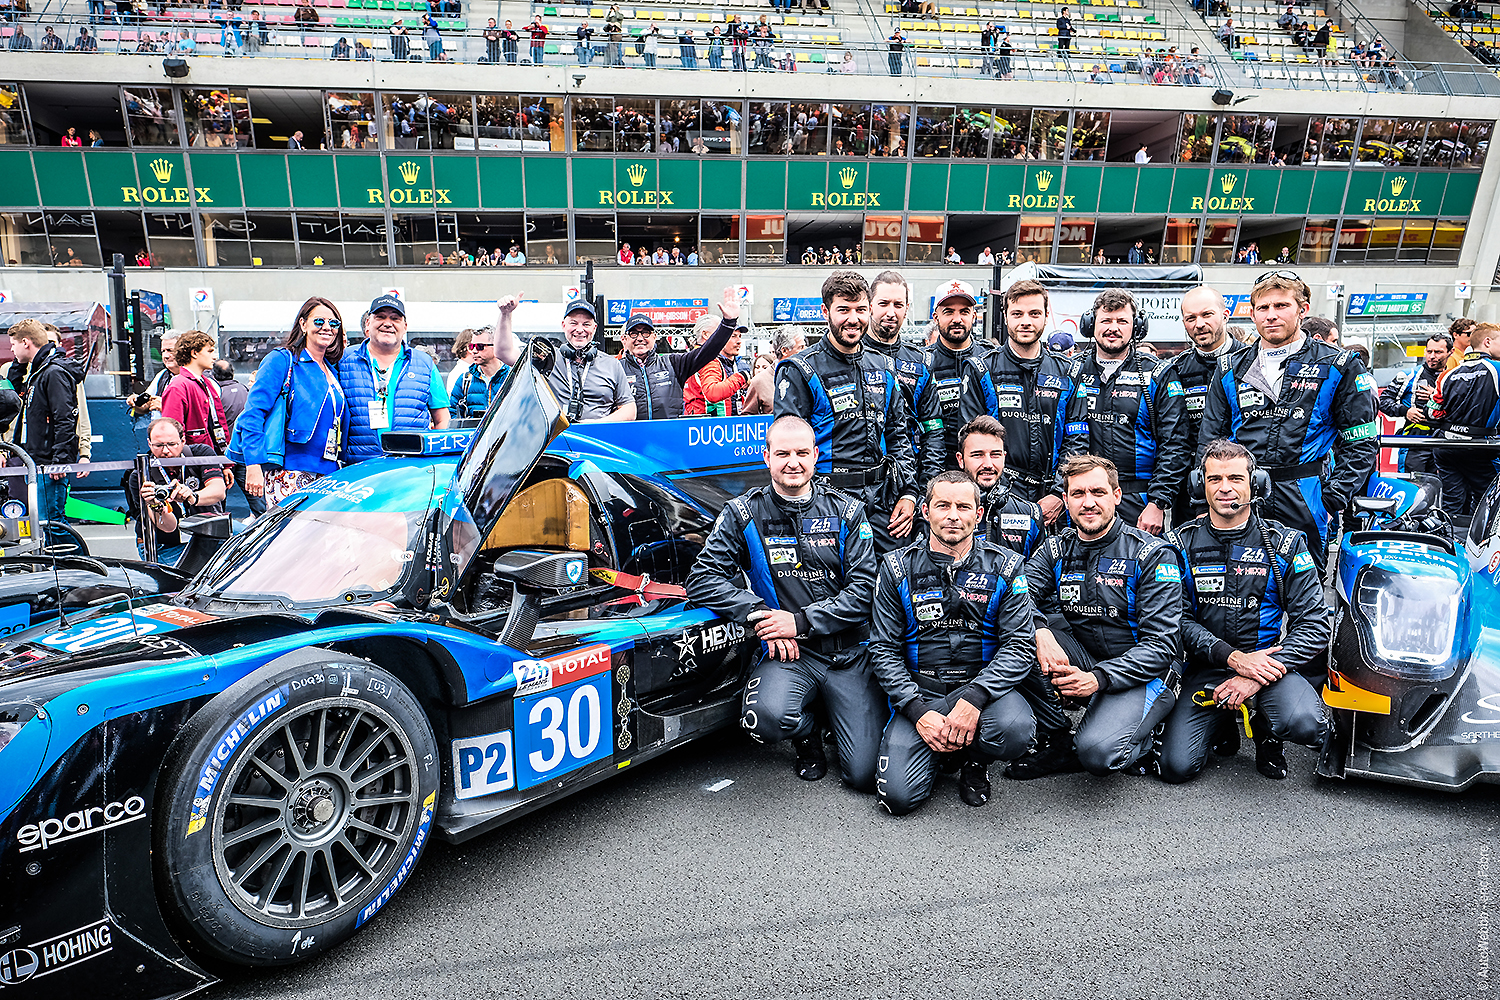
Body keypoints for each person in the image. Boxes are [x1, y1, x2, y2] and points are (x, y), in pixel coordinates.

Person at [686, 415, 885, 789]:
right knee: (764, 718)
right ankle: (807, 736)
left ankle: (832, 712)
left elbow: (864, 591)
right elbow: (702, 579)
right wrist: (759, 614)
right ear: (766, 457)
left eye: (801, 453)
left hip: (848, 654)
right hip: (791, 654)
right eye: (782, 454)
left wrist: (800, 621)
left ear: (815, 455)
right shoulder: (743, 513)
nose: (793, 462)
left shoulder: (848, 511)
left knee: (862, 775)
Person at [1160, 440, 1331, 783]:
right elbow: (1176, 619)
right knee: (1176, 768)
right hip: (1207, 667)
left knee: (1305, 722)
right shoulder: (1178, 544)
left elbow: (1315, 624)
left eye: (1236, 478)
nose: (1225, 488)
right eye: (1215, 479)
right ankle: (1222, 723)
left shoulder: (1286, 543)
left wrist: (1254, 674)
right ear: (1200, 485)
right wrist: (1234, 659)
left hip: (1269, 666)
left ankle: (1268, 733)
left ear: (1256, 484)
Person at [870, 471, 1039, 814]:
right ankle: (943, 750)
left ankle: (975, 760)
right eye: (943, 505)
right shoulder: (895, 567)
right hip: (922, 692)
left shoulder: (1007, 566)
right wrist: (916, 711)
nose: (953, 515)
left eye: (963, 507)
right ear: (925, 511)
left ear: (978, 514)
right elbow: (883, 649)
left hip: (981, 692)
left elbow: (1020, 645)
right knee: (897, 799)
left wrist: (975, 698)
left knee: (1015, 728)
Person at [1199, 270, 1378, 575]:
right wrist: (1208, 497)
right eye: (1263, 307)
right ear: (1252, 314)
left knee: (1306, 589)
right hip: (1243, 492)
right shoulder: (1229, 367)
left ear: (1302, 310)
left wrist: (1331, 498)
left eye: (1281, 305)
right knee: (1241, 587)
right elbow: (1211, 440)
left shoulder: (1339, 364)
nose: (1271, 315)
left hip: (1306, 495)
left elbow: (1361, 441)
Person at [1016, 455, 1183, 777]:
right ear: (1065, 500)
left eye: (1098, 492)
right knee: (1017, 638)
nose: (1088, 502)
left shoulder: (1151, 553)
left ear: (1116, 496)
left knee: (1097, 754)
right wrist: (1039, 630)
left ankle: (1143, 735)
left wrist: (1097, 679)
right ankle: (1059, 739)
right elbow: (1016, 596)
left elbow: (1161, 647)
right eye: (1078, 493)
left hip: (1146, 672)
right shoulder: (1056, 549)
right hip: (1088, 657)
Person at [773, 271, 917, 555]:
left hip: (883, 504)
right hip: (826, 502)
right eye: (844, 310)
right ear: (825, 311)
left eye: (860, 309)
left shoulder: (884, 366)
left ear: (869, 310)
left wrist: (910, 493)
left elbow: (899, 436)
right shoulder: (800, 369)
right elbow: (788, 450)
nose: (853, 319)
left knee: (893, 579)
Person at [1066, 288, 1187, 534]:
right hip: (1084, 497)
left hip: (1140, 500)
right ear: (1090, 324)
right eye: (1106, 321)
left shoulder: (1158, 373)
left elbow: (1175, 443)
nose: (1113, 328)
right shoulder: (1071, 371)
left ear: (1137, 327)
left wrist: (1158, 502)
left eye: (1122, 321)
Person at [970, 279, 1087, 523]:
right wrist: (999, 494)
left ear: (1046, 317)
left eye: (1034, 313)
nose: (1025, 321)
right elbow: (973, 443)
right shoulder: (982, 369)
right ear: (1005, 316)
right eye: (1017, 314)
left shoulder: (1069, 372)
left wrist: (1059, 492)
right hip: (997, 496)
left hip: (1053, 498)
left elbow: (1077, 438)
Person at [227, 296, 349, 508]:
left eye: (333, 323)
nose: (327, 327)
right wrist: (253, 464)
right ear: (303, 324)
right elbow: (253, 413)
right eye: (319, 321)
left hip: (329, 472)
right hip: (288, 471)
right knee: (292, 530)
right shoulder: (282, 360)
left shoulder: (333, 370)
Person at [1160, 286, 1249, 523]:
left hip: (1242, 482)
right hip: (1190, 485)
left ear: (1225, 315)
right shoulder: (1175, 369)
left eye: (1207, 315)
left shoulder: (1251, 362)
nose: (1199, 324)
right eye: (1191, 318)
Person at [337, 295, 449, 463]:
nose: (388, 323)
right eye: (380, 317)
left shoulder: (424, 363)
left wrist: (434, 458)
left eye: (395, 318)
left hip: (411, 467)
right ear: (368, 323)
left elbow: (442, 418)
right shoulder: (344, 360)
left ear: (405, 326)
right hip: (359, 466)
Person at [863, 271, 943, 491]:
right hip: (863, 479)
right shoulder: (853, 354)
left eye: (898, 305)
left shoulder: (921, 361)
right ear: (870, 305)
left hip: (909, 478)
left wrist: (926, 487)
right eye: (884, 304)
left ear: (907, 309)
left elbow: (933, 430)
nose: (891, 312)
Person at [496, 298, 635, 422]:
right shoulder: (547, 357)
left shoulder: (611, 364)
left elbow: (629, 409)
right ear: (563, 325)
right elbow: (504, 353)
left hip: (596, 437)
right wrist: (505, 314)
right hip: (557, 438)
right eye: (574, 323)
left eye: (586, 324)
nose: (580, 330)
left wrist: (597, 423)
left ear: (594, 328)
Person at [7, 319, 81, 537]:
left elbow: (65, 418)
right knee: (44, 523)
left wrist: (60, 460)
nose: (11, 350)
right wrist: (19, 365)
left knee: (52, 522)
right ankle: (55, 557)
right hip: (36, 459)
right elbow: (14, 394)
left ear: (26, 342)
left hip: (48, 462)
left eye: (13, 344)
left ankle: (78, 558)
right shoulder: (38, 371)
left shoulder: (53, 372)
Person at [621, 290, 736, 419]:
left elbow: (707, 352)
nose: (640, 338)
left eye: (645, 333)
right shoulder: (616, 368)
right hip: (630, 432)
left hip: (670, 431)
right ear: (625, 338)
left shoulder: (673, 363)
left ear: (654, 337)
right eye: (633, 333)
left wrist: (728, 324)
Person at [129, 417, 229, 565]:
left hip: (209, 535)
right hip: (166, 545)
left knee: (251, 538)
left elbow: (219, 491)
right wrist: (156, 505)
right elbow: (168, 527)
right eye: (158, 445)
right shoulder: (140, 475)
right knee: (187, 575)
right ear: (149, 443)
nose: (165, 451)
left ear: (183, 441)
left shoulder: (201, 454)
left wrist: (192, 496)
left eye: (171, 444)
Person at [1433, 323, 1500, 519]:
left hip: (1446, 446)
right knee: (1486, 502)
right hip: (1480, 449)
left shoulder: (1447, 374)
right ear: (1487, 342)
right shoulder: (1497, 369)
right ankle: (1477, 538)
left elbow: (1432, 412)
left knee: (1452, 502)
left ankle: (1447, 536)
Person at [955, 416, 1044, 559]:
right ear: (960, 460)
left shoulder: (1030, 513)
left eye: (995, 455)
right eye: (978, 455)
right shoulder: (942, 513)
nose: (988, 464)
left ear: (1004, 457)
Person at [1378, 333, 1450, 476]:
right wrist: (1406, 411)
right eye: (1429, 351)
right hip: (1414, 441)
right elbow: (1383, 401)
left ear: (1450, 352)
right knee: (1411, 483)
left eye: (1438, 352)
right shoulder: (1409, 375)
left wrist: (1437, 397)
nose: (1432, 356)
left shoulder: (1453, 378)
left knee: (1442, 486)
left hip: (1444, 441)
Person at [160, 330, 230, 452]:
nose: (214, 357)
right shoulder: (178, 387)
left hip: (211, 455)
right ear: (194, 353)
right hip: (195, 459)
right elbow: (172, 433)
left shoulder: (206, 383)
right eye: (210, 351)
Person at [212, 359, 263, 518]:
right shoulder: (244, 390)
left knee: (220, 496)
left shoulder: (216, 394)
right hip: (242, 451)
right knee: (255, 495)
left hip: (225, 453)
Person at [682, 316, 747, 417]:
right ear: (705, 334)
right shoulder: (707, 359)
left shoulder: (692, 356)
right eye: (720, 331)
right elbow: (713, 393)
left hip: (698, 420)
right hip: (711, 422)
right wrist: (742, 376)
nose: (723, 335)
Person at [450, 325, 512, 421]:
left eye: (480, 346)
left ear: (496, 346)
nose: (474, 351)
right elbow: (452, 414)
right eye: (471, 346)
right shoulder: (465, 380)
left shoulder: (513, 377)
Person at [742, 327, 806, 414]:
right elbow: (748, 417)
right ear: (784, 350)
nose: (805, 351)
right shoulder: (759, 381)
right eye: (801, 347)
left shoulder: (808, 376)